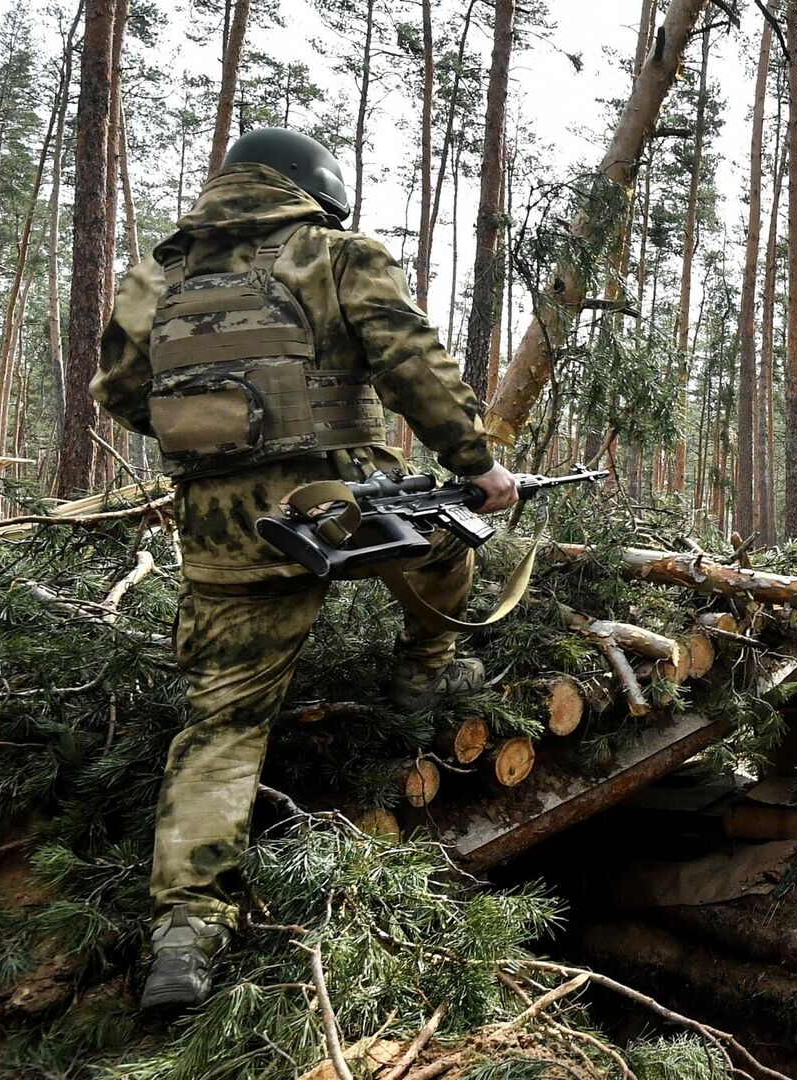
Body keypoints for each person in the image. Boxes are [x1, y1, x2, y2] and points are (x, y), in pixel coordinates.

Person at [91, 127, 518, 1013]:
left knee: (222, 728)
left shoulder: (158, 275)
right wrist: (477, 462)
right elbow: (408, 360)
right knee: (448, 536)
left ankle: (185, 931)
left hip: (221, 525)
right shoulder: (334, 251)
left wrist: (219, 437)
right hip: (338, 504)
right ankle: (422, 675)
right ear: (314, 191)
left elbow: (125, 394)